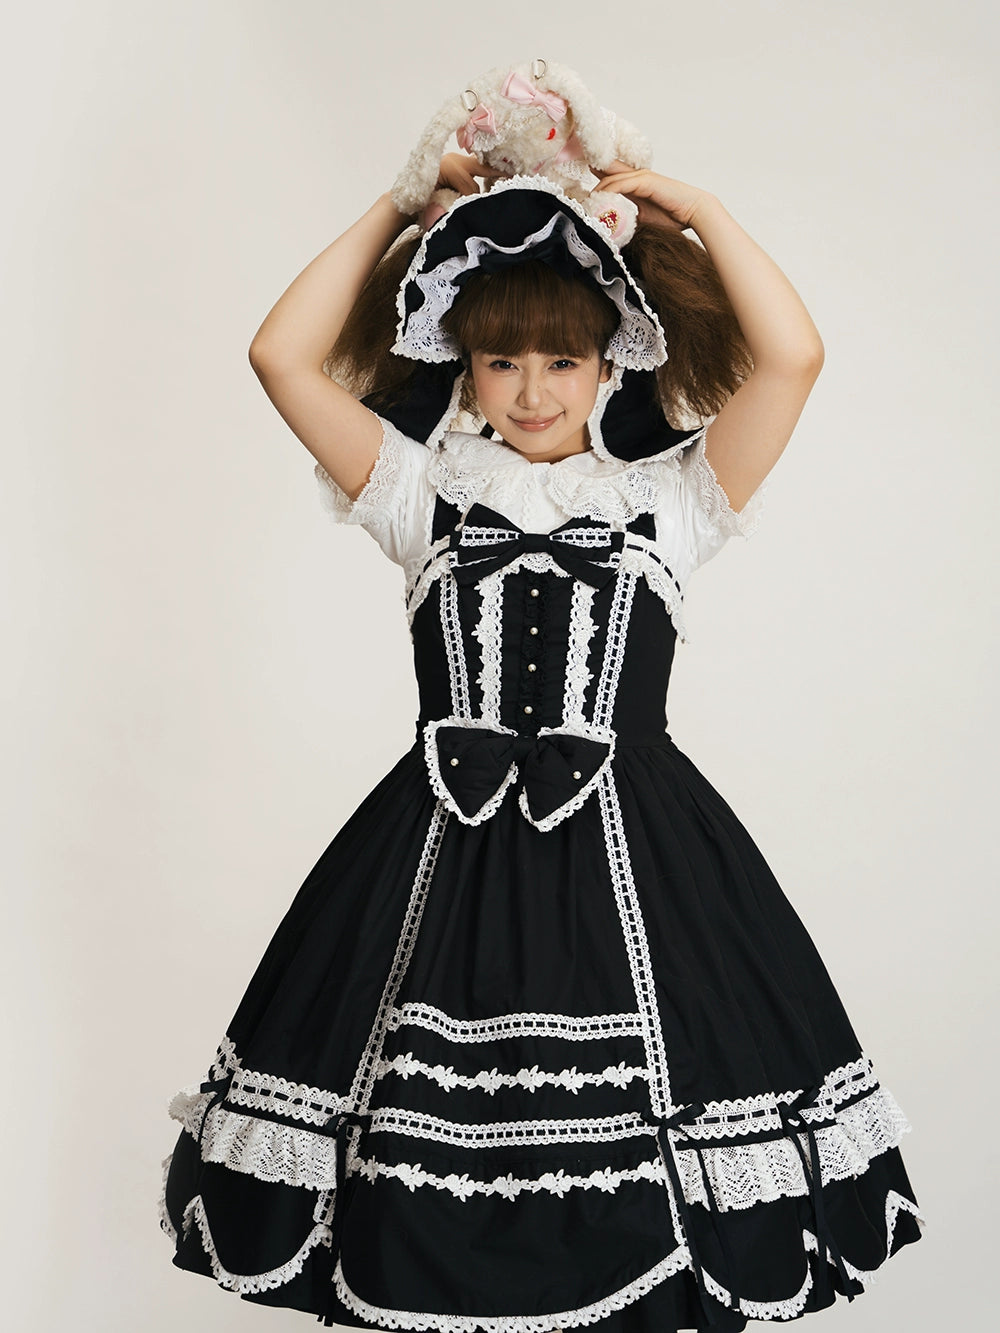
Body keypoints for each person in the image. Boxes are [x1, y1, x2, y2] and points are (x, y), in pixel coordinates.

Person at [159, 86, 924, 1332]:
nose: (529, 390)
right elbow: (279, 357)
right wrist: (403, 206)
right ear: (462, 364)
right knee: (413, 1178)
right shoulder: (419, 491)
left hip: (643, 857)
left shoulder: (672, 500)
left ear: (610, 359)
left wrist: (693, 208)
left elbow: (792, 357)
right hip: (435, 854)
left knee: (649, 1181)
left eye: (560, 359)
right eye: (500, 358)